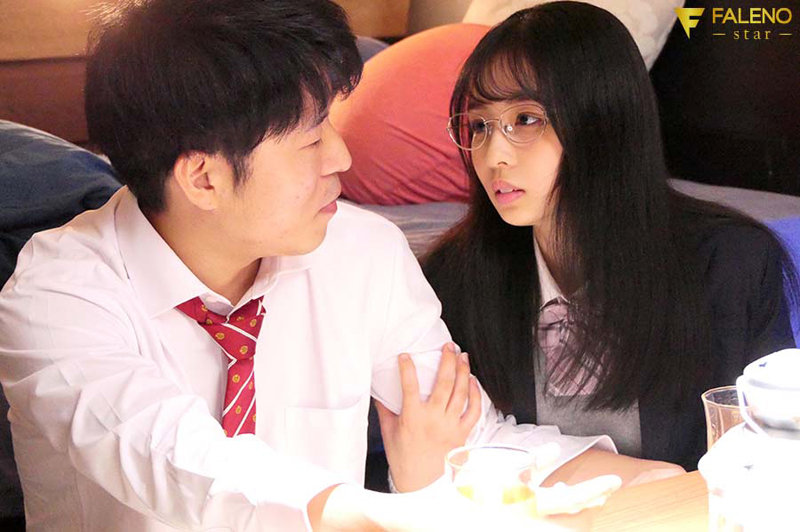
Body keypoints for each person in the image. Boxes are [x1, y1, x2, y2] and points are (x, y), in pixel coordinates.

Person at [0, 1, 681, 531]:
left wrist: (663, 483)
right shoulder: (58, 292)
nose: (342, 157)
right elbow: (169, 455)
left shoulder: (361, 253)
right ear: (204, 178)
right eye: (310, 139)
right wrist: (382, 514)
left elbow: (474, 438)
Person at [423, 1, 798, 473]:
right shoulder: (453, 280)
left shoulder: (730, 265)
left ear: (602, 122)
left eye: (526, 119)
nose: (494, 154)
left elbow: (776, 456)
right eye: (479, 125)